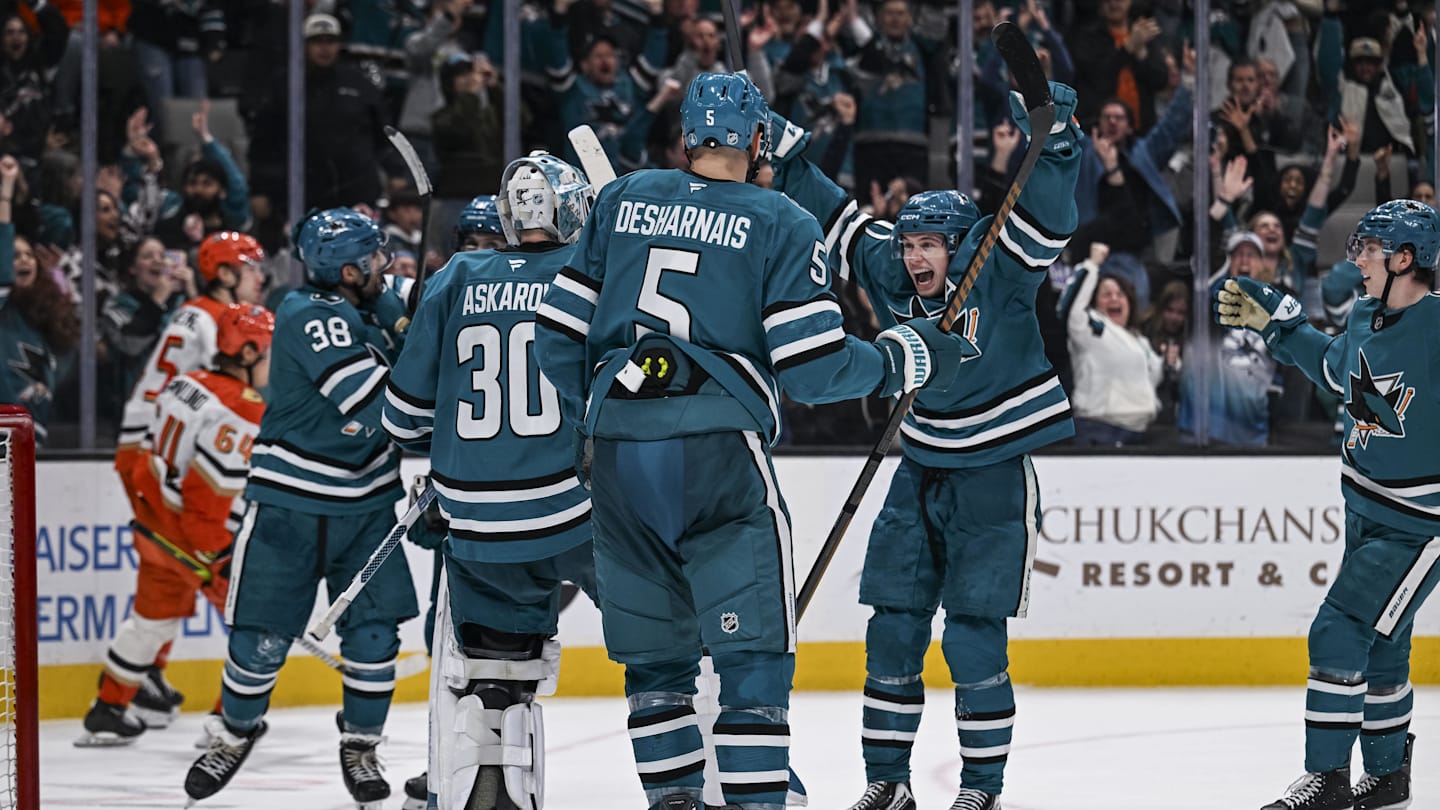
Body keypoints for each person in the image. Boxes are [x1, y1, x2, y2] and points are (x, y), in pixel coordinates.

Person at [534, 71, 971, 810]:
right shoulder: (782, 220)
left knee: (657, 664)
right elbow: (813, 368)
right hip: (718, 455)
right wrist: (902, 357)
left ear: (687, 134)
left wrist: (599, 418)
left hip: (616, 455)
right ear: (758, 139)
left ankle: (676, 798)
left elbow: (555, 336)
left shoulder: (620, 198)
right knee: (753, 661)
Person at [769, 79, 1082, 810]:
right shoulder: (889, 269)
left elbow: (1049, 213)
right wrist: (780, 153)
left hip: (992, 471)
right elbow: (835, 215)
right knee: (892, 633)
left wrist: (1058, 143)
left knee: (972, 638)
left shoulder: (999, 265)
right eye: (909, 245)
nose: (915, 258)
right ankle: (888, 784)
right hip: (919, 465)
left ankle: (981, 790)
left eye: (930, 246)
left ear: (959, 244)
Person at [385, 152, 600, 810]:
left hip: (477, 523)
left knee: (497, 673)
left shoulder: (455, 276)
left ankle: (494, 781)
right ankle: (724, 775)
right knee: (674, 643)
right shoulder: (590, 275)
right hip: (577, 510)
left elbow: (402, 420)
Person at [184, 209, 417, 807]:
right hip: (290, 507)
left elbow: (428, 302)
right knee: (260, 641)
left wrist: (418, 316)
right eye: (375, 257)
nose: (385, 264)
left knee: (373, 637)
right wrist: (421, 346)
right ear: (348, 271)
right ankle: (235, 732)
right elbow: (377, 407)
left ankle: (361, 743)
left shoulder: (374, 298)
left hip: (366, 506)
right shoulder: (309, 314)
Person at [1217, 199, 1440, 810]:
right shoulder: (1367, 316)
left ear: (1404, 259)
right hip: (1364, 510)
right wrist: (1281, 328)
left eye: (1370, 249)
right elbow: (1336, 370)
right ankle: (1388, 777)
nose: (1358, 259)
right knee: (1384, 643)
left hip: (1418, 524)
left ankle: (1327, 778)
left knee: (1338, 627)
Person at [77, 303, 272, 747]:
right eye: (266, 352)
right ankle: (231, 723)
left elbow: (146, 461)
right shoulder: (241, 410)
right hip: (197, 542)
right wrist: (218, 557)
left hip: (156, 532)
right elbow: (207, 500)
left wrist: (160, 521)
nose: (270, 362)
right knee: (257, 625)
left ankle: (107, 709)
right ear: (246, 352)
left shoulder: (185, 383)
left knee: (151, 624)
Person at [1058, 242, 1162, 446]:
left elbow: (1151, 381)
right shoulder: (1092, 328)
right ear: (1095, 303)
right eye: (1106, 294)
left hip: (1137, 432)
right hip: (1099, 430)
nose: (1114, 299)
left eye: (1120, 294)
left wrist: (1170, 365)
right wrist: (1091, 265)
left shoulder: (1140, 341)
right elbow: (1069, 308)